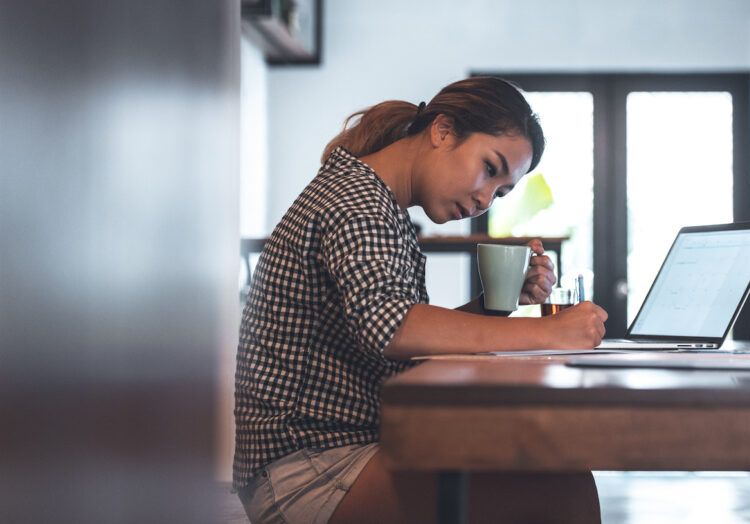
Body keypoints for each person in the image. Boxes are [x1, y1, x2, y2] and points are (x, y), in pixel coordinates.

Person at [234, 77, 608, 523]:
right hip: (306, 473)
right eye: (490, 169)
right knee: (561, 492)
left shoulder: (375, 198)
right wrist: (550, 330)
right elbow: (392, 327)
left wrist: (497, 304)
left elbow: (403, 330)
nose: (485, 200)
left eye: (502, 192)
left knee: (552, 472)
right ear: (443, 130)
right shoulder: (357, 200)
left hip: (331, 455)